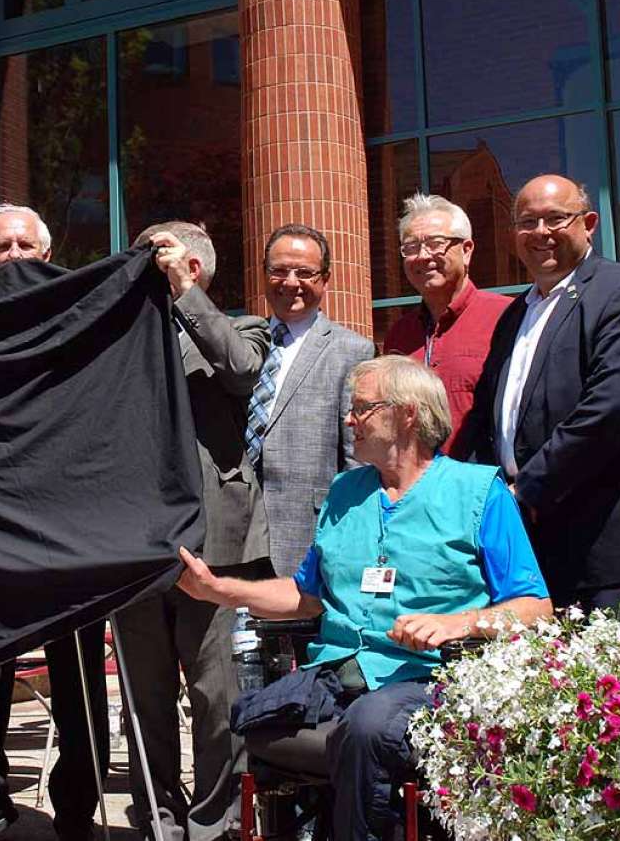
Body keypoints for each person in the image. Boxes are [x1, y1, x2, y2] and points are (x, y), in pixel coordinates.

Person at [178, 355, 552, 841]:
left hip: (430, 678)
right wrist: (219, 590)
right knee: (259, 717)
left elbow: (535, 608)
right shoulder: (345, 492)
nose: (349, 419)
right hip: (337, 675)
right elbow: (305, 596)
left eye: (362, 408)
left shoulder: (479, 492)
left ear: (408, 414)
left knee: (368, 729)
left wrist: (457, 623)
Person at [460, 176, 620, 610]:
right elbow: (485, 421)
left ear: (588, 223)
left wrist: (529, 488)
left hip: (613, 546)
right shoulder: (514, 314)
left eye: (556, 218)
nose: (541, 232)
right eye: (527, 221)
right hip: (530, 548)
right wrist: (473, 496)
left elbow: (617, 408)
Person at [0, 202, 111, 841]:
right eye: (3, 249)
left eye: (25, 247)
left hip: (70, 532)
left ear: (46, 256)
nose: (15, 258)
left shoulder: (85, 319)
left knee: (78, 685)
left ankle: (76, 808)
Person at [115, 221, 272, 841]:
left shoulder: (240, 329)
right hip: (134, 547)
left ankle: (215, 823)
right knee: (144, 701)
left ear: (194, 268)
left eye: (157, 261)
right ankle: (159, 819)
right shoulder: (119, 345)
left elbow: (243, 371)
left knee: (215, 698)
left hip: (215, 544)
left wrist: (182, 289)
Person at [247, 223, 373, 576]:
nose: (291, 282)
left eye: (304, 272)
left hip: (309, 532)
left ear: (325, 279)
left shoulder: (352, 351)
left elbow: (357, 458)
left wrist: (350, 541)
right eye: (279, 270)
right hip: (237, 533)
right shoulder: (242, 341)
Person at [382, 194, 512, 459]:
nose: (422, 256)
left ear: (467, 250)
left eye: (435, 244)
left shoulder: (507, 317)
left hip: (483, 484)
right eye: (411, 247)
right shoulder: (399, 334)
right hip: (414, 488)